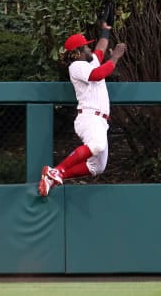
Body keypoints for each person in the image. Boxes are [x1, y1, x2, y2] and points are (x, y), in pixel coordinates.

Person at [38, 21, 126, 196]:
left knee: (97, 166)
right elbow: (98, 74)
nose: (88, 49)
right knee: (98, 145)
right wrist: (115, 57)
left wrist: (105, 31)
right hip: (89, 117)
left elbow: (100, 49)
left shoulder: (90, 61)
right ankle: (58, 170)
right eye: (85, 47)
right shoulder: (76, 66)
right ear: (77, 53)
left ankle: (53, 176)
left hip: (100, 121)